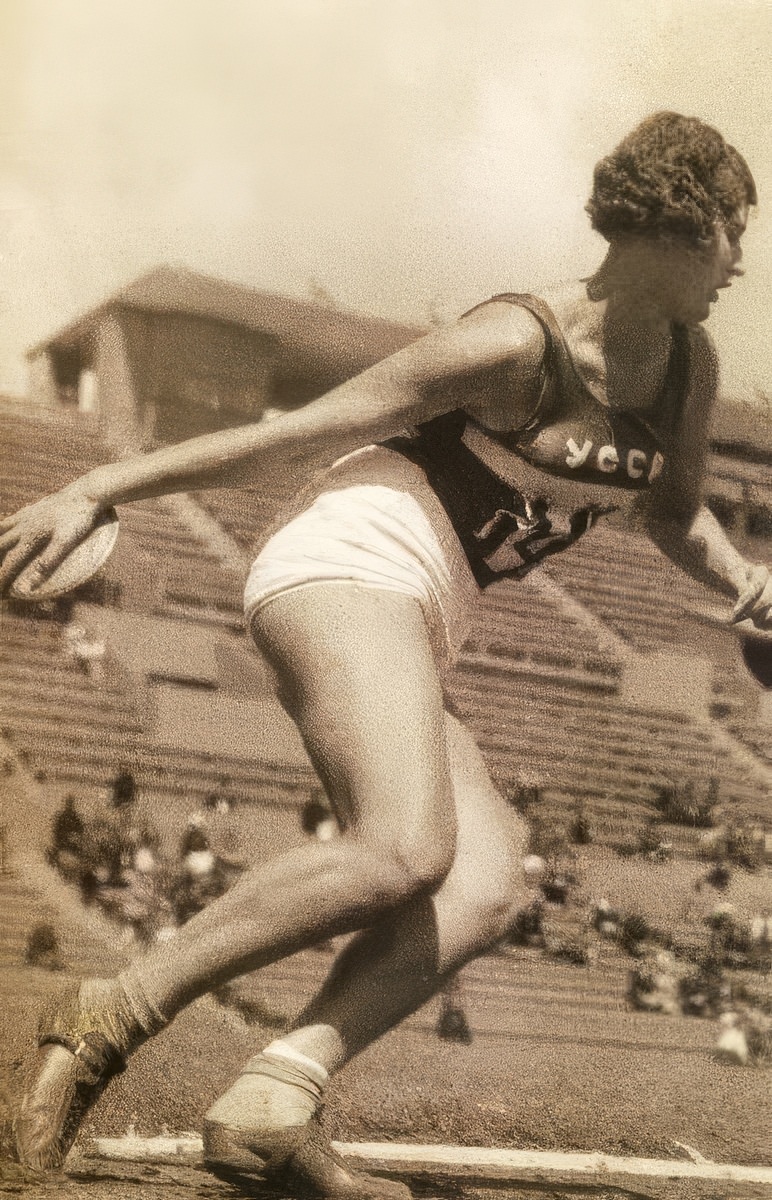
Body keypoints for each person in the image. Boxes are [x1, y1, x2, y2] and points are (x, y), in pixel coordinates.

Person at [2, 112, 771, 1200]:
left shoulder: (688, 367)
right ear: (679, 221)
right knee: (402, 848)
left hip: (423, 603)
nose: (742, 257)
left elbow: (675, 514)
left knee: (491, 881)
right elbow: (302, 431)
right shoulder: (512, 343)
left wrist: (746, 579)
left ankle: (272, 1096)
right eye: (733, 227)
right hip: (346, 553)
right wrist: (97, 485)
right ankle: (105, 1015)